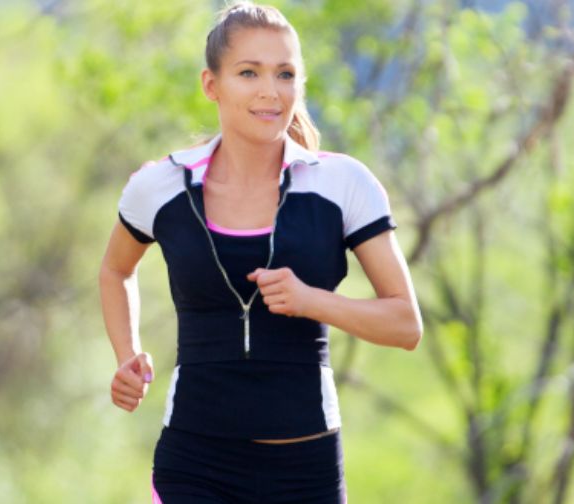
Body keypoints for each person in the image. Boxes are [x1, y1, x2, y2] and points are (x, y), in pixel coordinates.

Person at [98, 2, 423, 502]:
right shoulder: (161, 185)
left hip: (306, 470)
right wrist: (127, 355)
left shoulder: (342, 184)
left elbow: (405, 325)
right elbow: (116, 269)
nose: (270, 90)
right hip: (194, 466)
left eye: (285, 74)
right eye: (249, 73)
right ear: (212, 85)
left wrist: (311, 301)